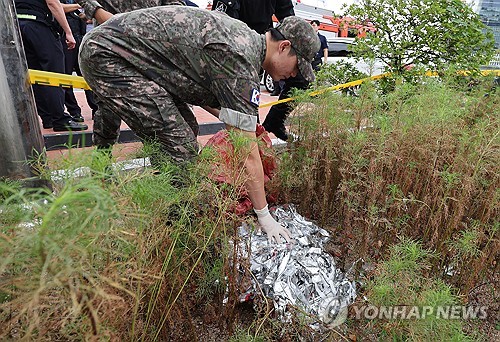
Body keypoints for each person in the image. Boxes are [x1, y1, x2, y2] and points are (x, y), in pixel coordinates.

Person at [79, 6, 320, 243]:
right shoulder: (240, 59)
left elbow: (203, 90)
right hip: (107, 56)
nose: (294, 75)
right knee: (180, 147)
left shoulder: (245, 42)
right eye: (297, 66)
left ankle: (170, 203)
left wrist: (240, 123)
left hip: (130, 57)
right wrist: (264, 215)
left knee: (186, 128)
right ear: (284, 46)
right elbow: (246, 154)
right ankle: (180, 230)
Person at [15, 0, 88, 131]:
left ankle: (48, 118)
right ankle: (60, 120)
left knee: (36, 76)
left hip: (20, 26)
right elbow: (53, 3)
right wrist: (68, 32)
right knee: (54, 74)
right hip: (40, 26)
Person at [60, 0, 98, 122]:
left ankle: (97, 109)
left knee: (88, 75)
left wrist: (85, 15)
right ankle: (74, 111)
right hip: (65, 40)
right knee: (66, 77)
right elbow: (59, 7)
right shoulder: (76, 3)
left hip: (81, 38)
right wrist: (80, 6)